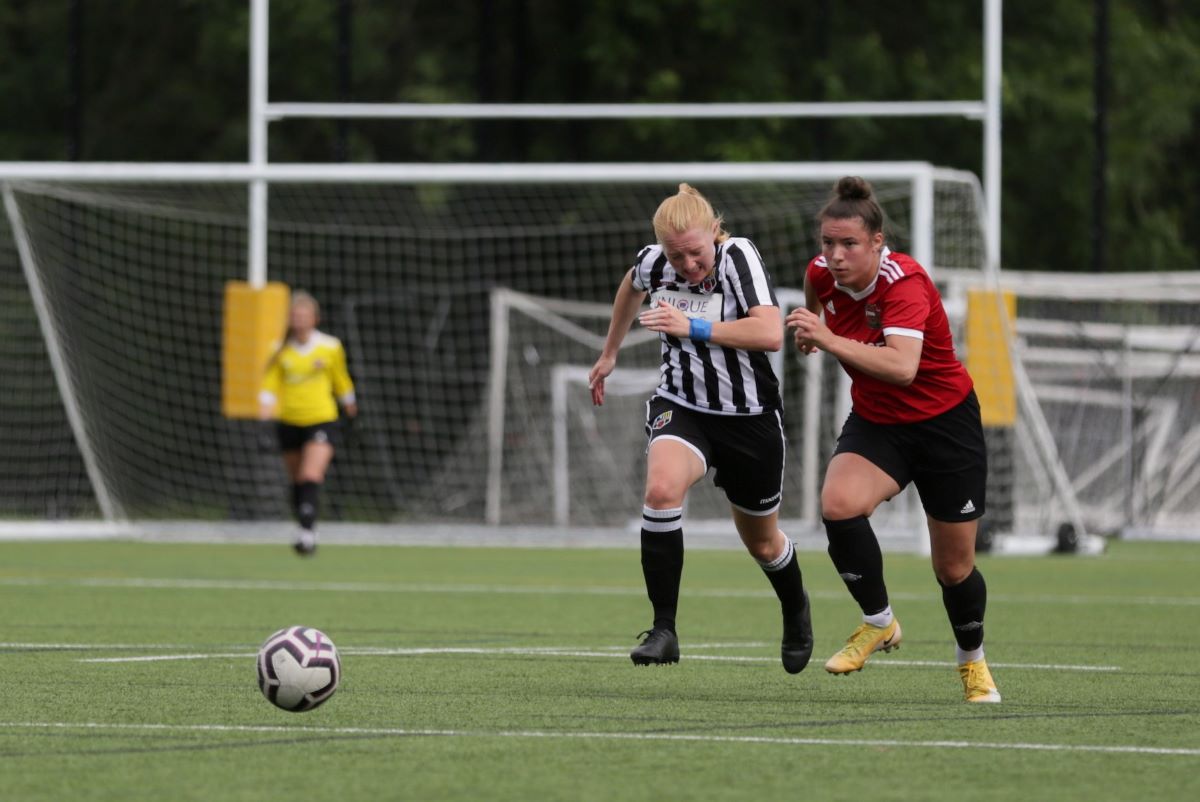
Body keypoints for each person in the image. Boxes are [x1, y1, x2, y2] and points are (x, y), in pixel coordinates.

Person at [786, 176, 1000, 703]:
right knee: (838, 504)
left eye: (849, 244)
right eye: (828, 243)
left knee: (953, 568)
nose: (835, 255)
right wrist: (811, 326)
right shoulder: (821, 272)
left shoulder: (905, 283)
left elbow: (903, 368)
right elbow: (814, 296)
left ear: (878, 243)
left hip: (944, 424)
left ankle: (972, 662)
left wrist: (829, 339)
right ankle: (878, 621)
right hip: (880, 423)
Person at [588, 183, 813, 673]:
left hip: (749, 418)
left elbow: (770, 334)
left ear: (715, 231)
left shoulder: (738, 257)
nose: (687, 266)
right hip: (682, 404)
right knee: (662, 490)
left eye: (694, 253)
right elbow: (632, 284)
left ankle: (795, 607)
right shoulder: (656, 262)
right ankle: (664, 629)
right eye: (676, 256)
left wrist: (695, 328)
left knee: (763, 542)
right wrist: (610, 353)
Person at [259, 290, 358, 556]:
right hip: (289, 420)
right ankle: (305, 526)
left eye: (304, 315)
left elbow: (341, 378)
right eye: (295, 316)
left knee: (310, 475)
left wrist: (349, 403)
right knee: (296, 481)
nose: (299, 320)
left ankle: (306, 533)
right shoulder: (280, 349)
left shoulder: (330, 346)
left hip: (321, 419)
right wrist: (265, 405)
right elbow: (270, 382)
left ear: (315, 318)